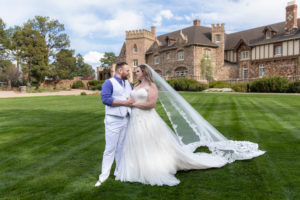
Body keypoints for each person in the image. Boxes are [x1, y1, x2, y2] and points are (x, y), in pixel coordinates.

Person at [114, 64, 230, 186]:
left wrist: (134, 104)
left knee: (150, 141)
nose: (135, 73)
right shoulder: (136, 85)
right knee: (136, 141)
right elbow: (131, 97)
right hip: (134, 118)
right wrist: (128, 101)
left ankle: (154, 166)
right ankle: (136, 167)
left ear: (144, 72)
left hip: (147, 117)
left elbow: (151, 104)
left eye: (137, 71)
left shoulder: (151, 86)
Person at [95, 62, 134, 187]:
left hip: (126, 119)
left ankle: (118, 172)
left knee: (121, 148)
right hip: (113, 120)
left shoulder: (128, 84)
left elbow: (133, 98)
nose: (129, 73)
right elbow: (105, 99)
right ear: (120, 70)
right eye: (127, 70)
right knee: (110, 149)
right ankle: (103, 177)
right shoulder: (109, 83)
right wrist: (124, 102)